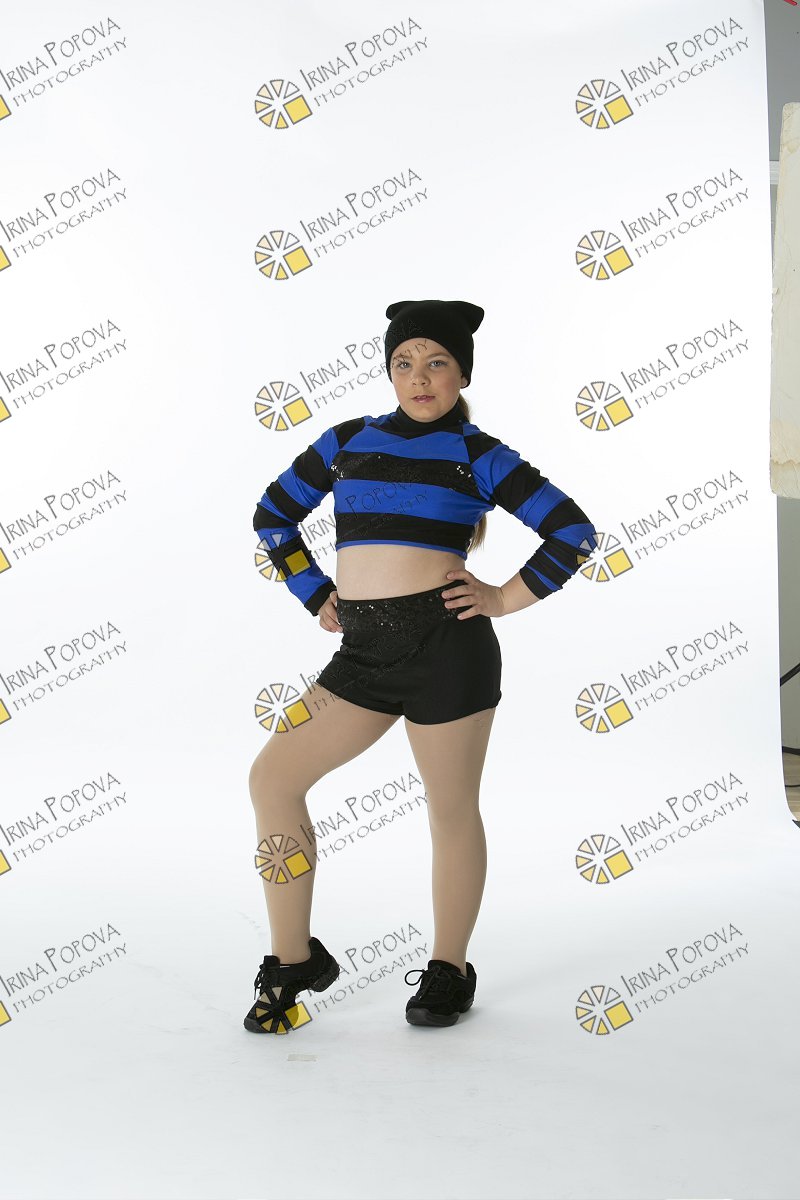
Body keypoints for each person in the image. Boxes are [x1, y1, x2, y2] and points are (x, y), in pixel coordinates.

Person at [245, 298, 598, 1034]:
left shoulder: (478, 452)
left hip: (448, 648)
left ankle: (449, 967)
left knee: (449, 808)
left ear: (462, 373)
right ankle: (291, 960)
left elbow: (572, 531)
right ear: (388, 372)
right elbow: (273, 514)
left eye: (437, 362)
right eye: (404, 362)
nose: (419, 377)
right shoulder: (347, 441)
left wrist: (501, 598)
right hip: (363, 653)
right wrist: (313, 589)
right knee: (273, 779)